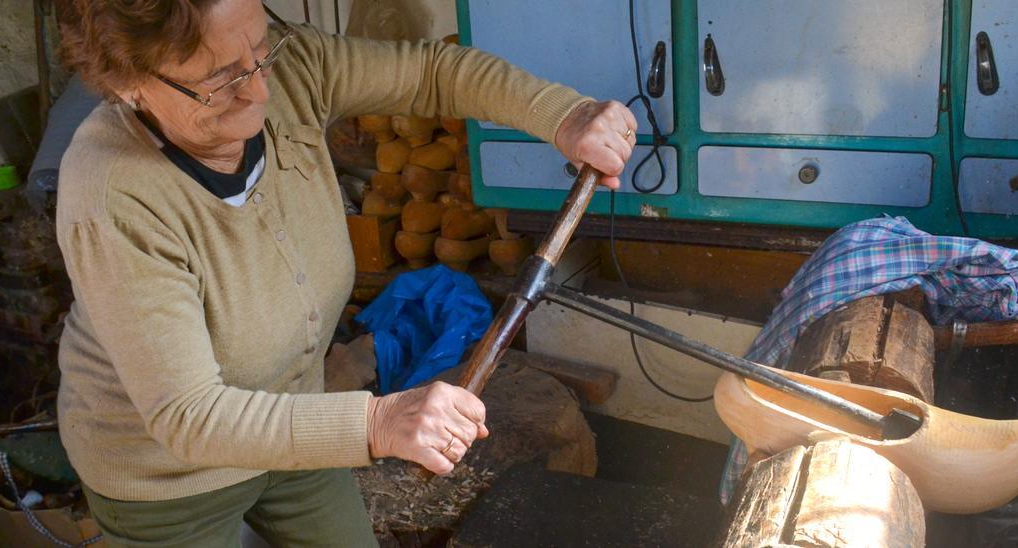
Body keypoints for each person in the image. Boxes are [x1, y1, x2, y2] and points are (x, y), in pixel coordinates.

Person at [54, 0, 637, 545]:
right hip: (166, 476)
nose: (259, 88)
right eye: (222, 79)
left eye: (262, 51)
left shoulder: (295, 69)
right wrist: (379, 421)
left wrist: (564, 115)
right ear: (129, 84)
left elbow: (435, 73)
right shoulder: (113, 193)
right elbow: (189, 415)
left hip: (298, 416)